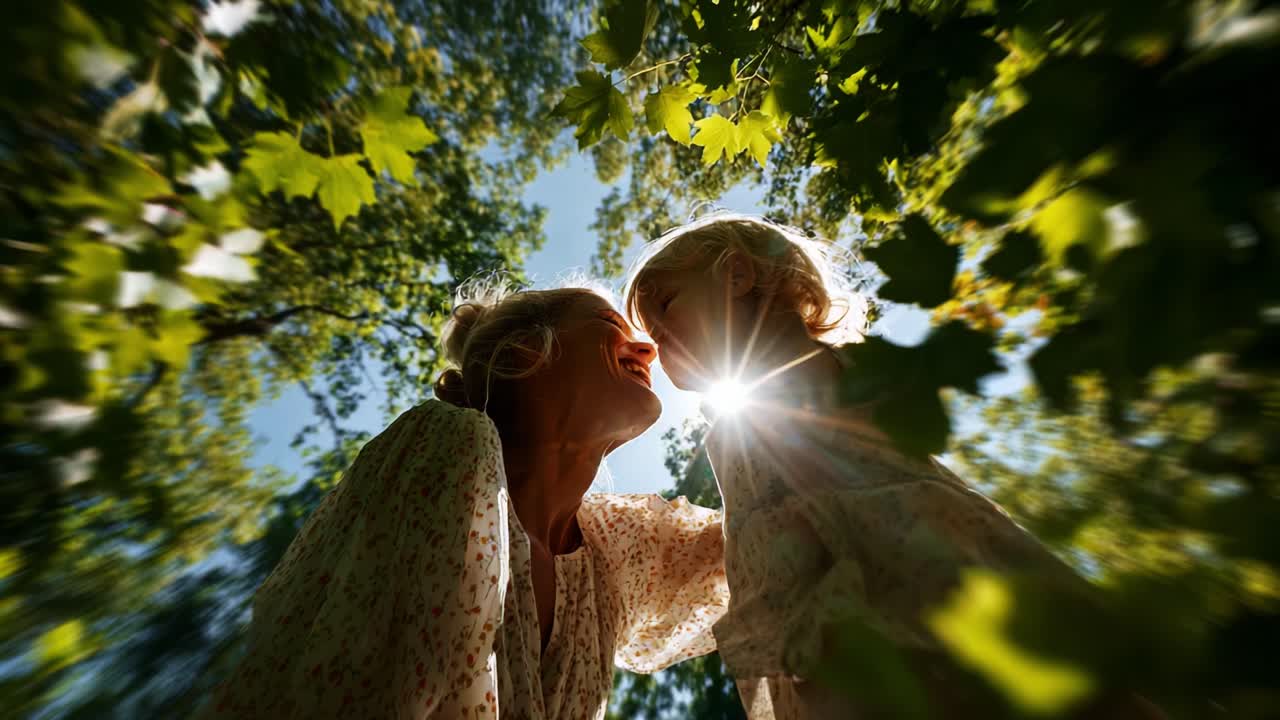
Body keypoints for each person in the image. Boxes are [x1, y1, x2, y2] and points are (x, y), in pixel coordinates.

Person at [624, 214, 1163, 720]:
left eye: (666, 306)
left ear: (736, 275)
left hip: (918, 567)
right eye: (650, 331)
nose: (657, 340)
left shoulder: (835, 370)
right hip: (817, 636)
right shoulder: (729, 430)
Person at [196, 280, 729, 720]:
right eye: (613, 328)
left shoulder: (614, 551)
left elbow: (769, 540)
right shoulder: (449, 446)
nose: (649, 348)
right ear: (528, 352)